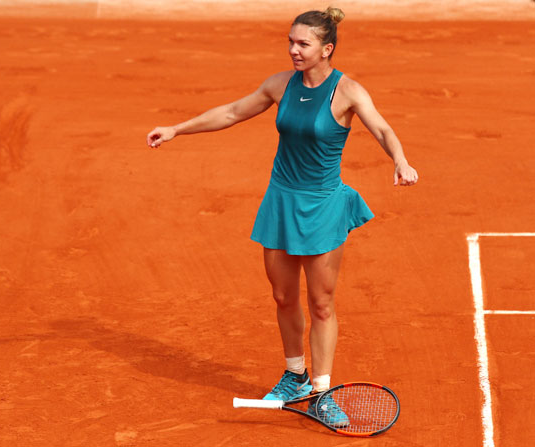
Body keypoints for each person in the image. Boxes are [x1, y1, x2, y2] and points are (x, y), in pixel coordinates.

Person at [146, 7, 418, 425]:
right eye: (291, 42)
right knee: (283, 296)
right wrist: (177, 129)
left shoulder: (348, 91)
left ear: (326, 49)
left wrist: (399, 159)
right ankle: (295, 374)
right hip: (281, 201)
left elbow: (382, 129)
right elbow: (233, 112)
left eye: (303, 44)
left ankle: (323, 392)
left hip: (323, 205)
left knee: (322, 302)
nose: (293, 49)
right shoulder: (279, 85)